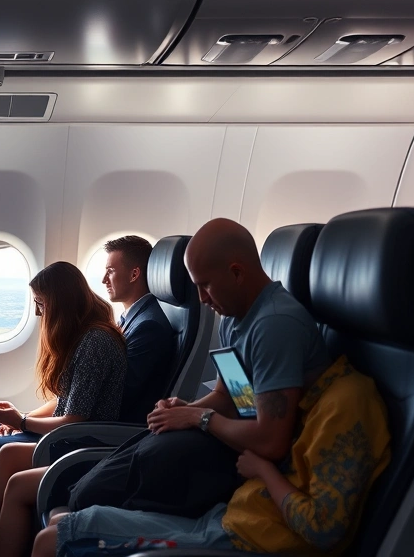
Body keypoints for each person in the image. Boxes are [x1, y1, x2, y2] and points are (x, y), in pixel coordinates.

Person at [65, 218, 332, 519]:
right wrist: (182, 412)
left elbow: (272, 441)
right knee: (109, 472)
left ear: (236, 273)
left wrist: (199, 417)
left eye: (206, 286)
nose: (203, 299)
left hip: (257, 458)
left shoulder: (275, 325)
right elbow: (233, 396)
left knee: (90, 495)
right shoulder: (234, 319)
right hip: (233, 437)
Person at [32, 354, 392, 557]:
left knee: (53, 537)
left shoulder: (344, 406)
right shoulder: (275, 368)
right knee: (62, 518)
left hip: (247, 541)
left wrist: (262, 469)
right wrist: (186, 410)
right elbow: (240, 403)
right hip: (233, 517)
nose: (204, 298)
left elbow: (324, 529)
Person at [0, 261, 128, 553]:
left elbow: (75, 419)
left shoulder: (96, 342)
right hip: (70, 432)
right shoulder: (84, 336)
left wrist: (21, 422)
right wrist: (23, 415)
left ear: (62, 303)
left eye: (41, 303)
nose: (37, 312)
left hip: (82, 440)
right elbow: (66, 398)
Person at [100, 235, 176, 423]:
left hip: (114, 429)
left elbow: (120, 396)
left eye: (110, 271)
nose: (104, 280)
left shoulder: (148, 327)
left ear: (134, 274)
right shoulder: (131, 319)